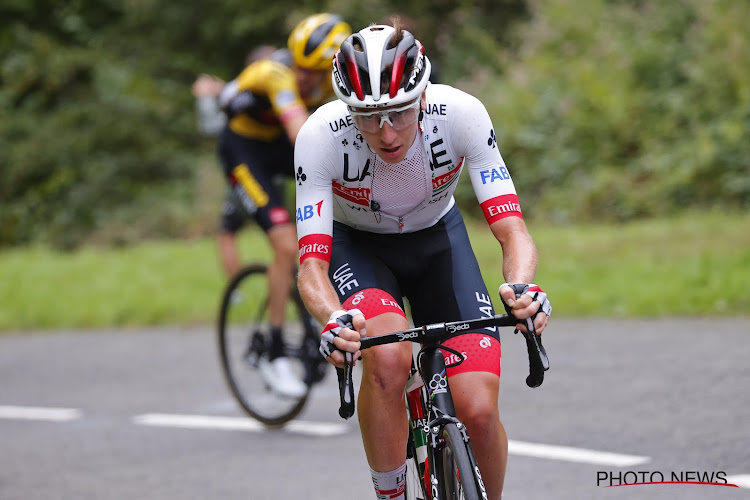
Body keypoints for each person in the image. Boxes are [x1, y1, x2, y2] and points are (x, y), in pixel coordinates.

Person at [294, 23, 551, 500]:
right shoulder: (319, 137)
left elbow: (512, 229)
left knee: (477, 411)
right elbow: (311, 263)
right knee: (389, 359)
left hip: (439, 242)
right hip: (360, 249)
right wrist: (333, 319)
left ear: (423, 92)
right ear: (348, 110)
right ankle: (391, 493)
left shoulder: (461, 114)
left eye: (398, 112)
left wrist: (521, 287)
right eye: (368, 117)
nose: (386, 132)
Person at [197, 13, 351, 399]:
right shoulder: (273, 74)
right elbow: (303, 134)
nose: (305, 80)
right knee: (286, 243)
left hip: (279, 146)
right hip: (244, 151)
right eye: (302, 69)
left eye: (314, 74)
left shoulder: (334, 80)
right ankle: (276, 349)